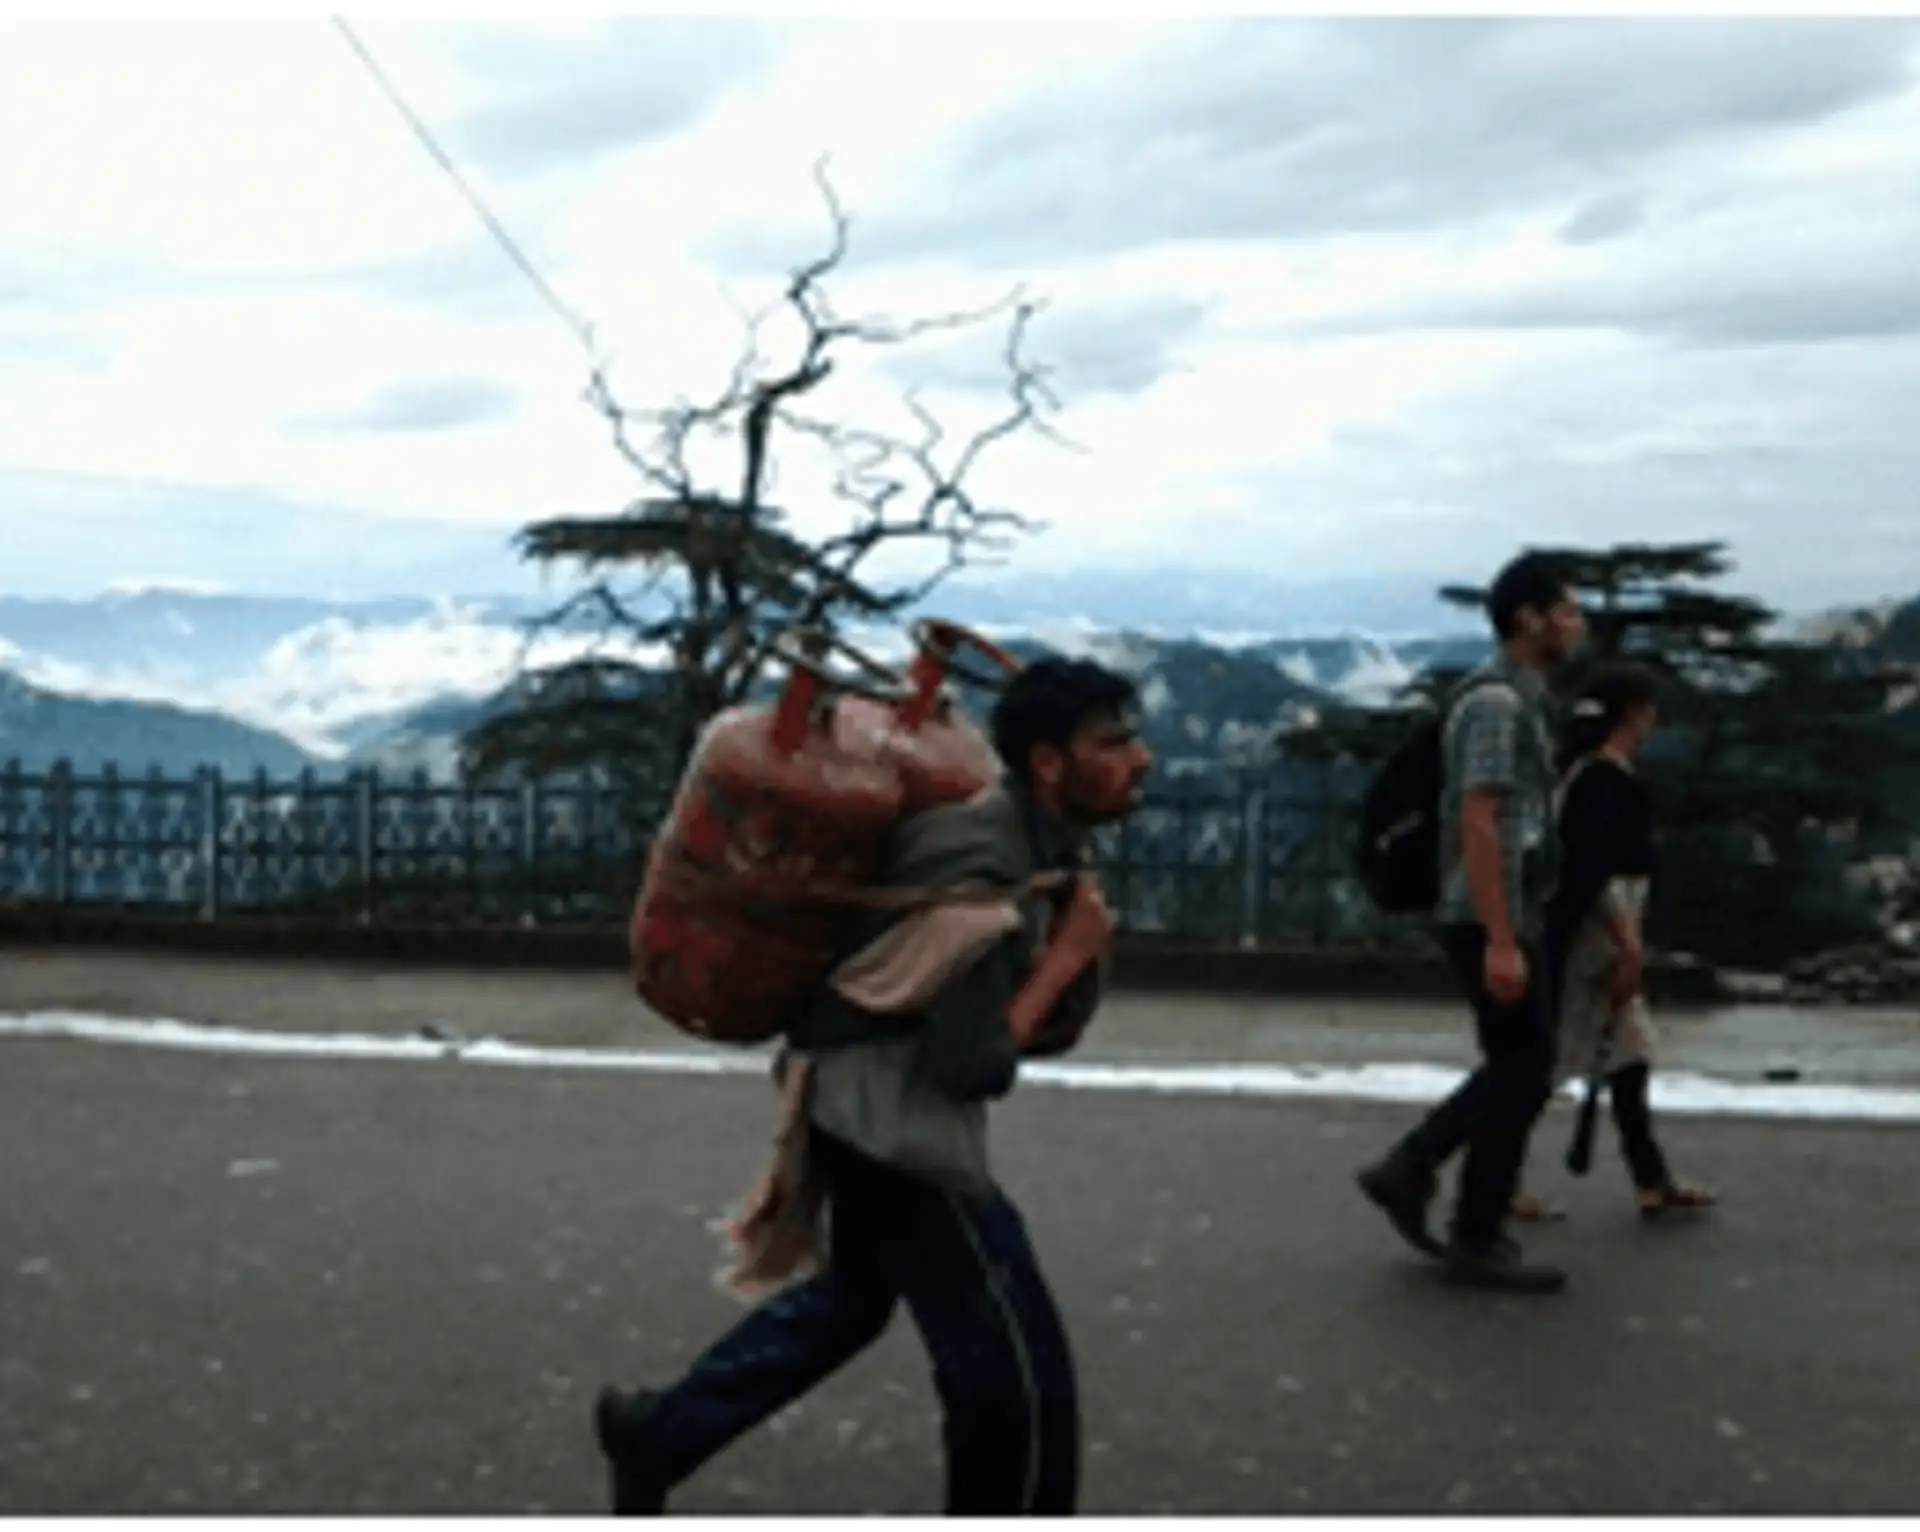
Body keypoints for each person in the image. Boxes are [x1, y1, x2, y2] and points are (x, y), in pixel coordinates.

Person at [592, 657, 1155, 1515]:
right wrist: (1068, 957)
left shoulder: (1015, 840)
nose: (1140, 758)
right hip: (890, 1125)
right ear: (1048, 764)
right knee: (1014, 1377)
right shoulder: (981, 880)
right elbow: (971, 1065)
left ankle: (658, 1432)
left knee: (850, 1305)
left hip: (846, 1098)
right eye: (1112, 743)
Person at [1356, 552, 1586, 1294]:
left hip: (1504, 911)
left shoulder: (1521, 698)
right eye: (1567, 610)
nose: (1578, 624)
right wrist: (1500, 939)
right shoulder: (1495, 706)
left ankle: (1419, 1176)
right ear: (1528, 619)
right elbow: (1478, 821)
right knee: (1523, 1068)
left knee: (1520, 1066)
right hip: (1489, 913)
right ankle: (1466, 1224)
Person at [1510, 662, 1717, 1225]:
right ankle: (1497, 1178)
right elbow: (1599, 871)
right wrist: (1627, 943)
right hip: (1596, 937)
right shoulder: (1601, 781)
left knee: (1626, 1056)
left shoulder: (1590, 776)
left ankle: (1650, 1179)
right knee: (1556, 1061)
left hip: (1599, 930)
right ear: (1633, 714)